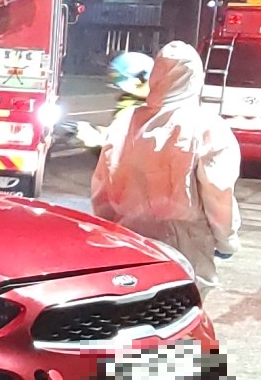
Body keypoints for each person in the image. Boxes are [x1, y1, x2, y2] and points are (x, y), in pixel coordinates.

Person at [91, 40, 242, 286]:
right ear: (195, 78)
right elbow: (218, 191)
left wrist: (110, 226)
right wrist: (226, 239)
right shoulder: (207, 126)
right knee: (179, 307)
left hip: (128, 238)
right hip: (184, 245)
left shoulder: (126, 121)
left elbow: (103, 182)